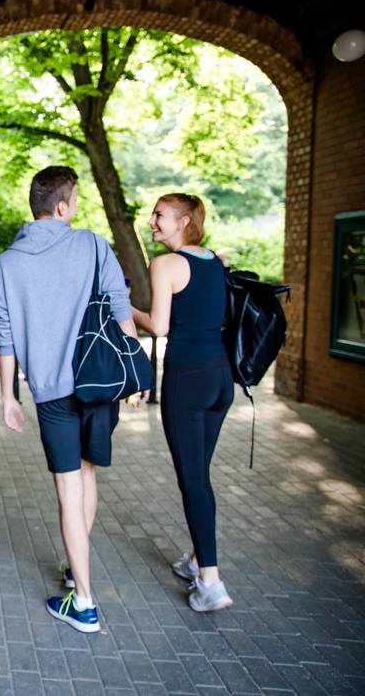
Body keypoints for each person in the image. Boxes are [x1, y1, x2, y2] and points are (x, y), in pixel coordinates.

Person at [0, 166, 145, 633]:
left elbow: (6, 337)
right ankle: (82, 586)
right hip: (98, 385)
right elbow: (120, 309)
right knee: (87, 474)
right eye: (74, 200)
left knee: (67, 490)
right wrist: (135, 374)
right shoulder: (93, 245)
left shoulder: (6, 265)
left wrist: (9, 397)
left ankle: (84, 592)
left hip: (52, 393)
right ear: (62, 206)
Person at [131, 193, 234, 612]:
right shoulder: (215, 260)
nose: (152, 221)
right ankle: (197, 558)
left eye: (160, 216)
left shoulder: (167, 264)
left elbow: (158, 326)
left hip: (187, 380)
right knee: (200, 476)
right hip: (220, 379)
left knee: (193, 479)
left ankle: (210, 582)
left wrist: (125, 308)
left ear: (185, 221)